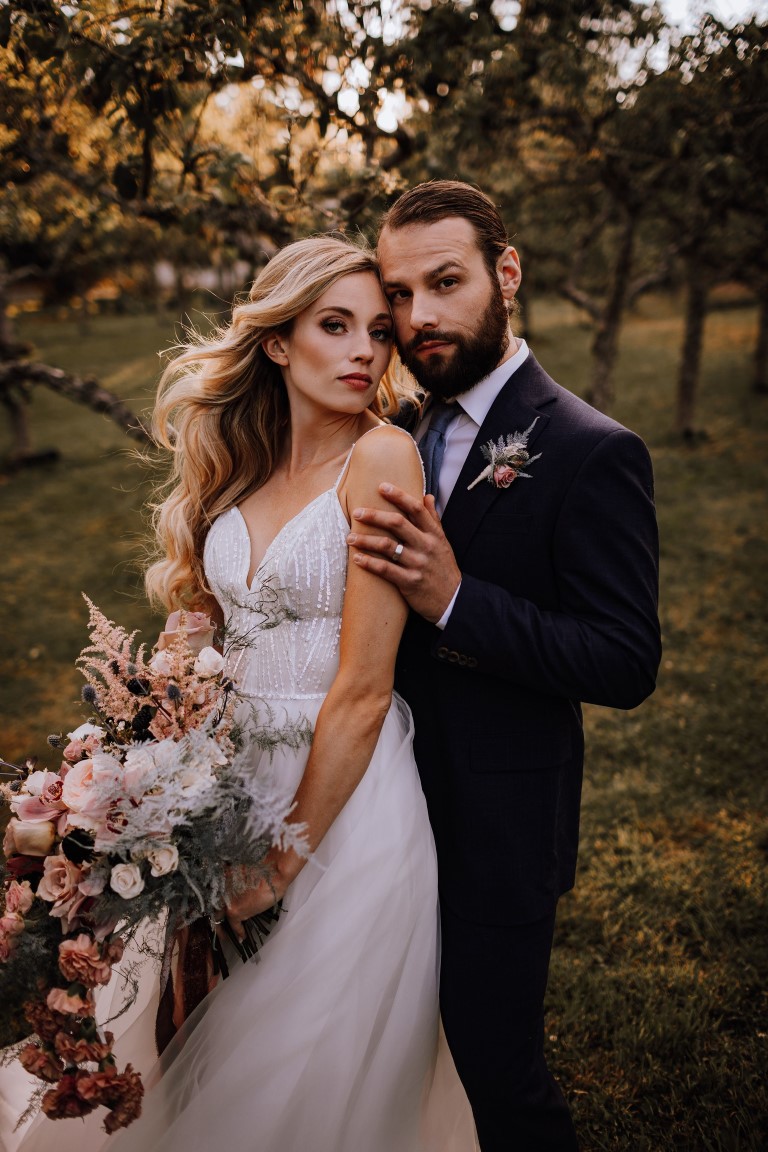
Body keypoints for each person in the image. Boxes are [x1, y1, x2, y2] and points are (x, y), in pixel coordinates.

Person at [6, 237, 475, 1152]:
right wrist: (140, 765)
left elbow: (364, 691)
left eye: (377, 332)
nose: (363, 354)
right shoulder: (243, 458)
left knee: (285, 1067)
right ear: (275, 341)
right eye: (332, 327)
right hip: (217, 783)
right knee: (172, 1032)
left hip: (341, 800)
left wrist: (281, 863)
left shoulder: (380, 457)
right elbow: (208, 638)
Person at [347, 181, 662, 1152]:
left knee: (497, 1071)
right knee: (388, 1059)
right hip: (373, 815)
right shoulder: (380, 430)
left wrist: (453, 598)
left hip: (498, 827)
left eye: (445, 282)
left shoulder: (589, 450)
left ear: (506, 273)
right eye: (398, 294)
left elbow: (622, 657)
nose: (418, 318)